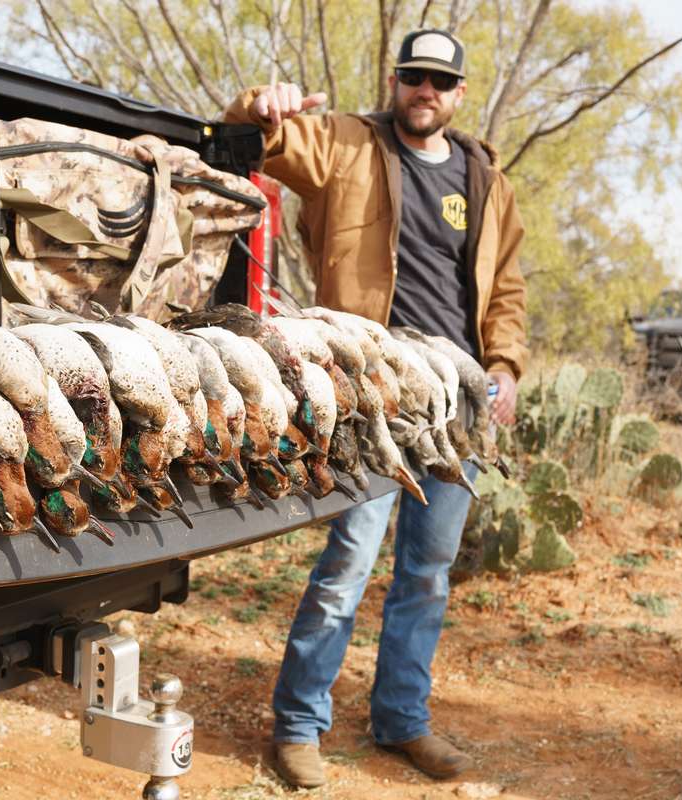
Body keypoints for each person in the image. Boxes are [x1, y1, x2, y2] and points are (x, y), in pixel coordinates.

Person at [224, 29, 528, 787]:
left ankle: (401, 721)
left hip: (457, 399)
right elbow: (257, 140)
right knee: (349, 562)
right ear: (396, 82)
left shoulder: (486, 181)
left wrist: (505, 367)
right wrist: (259, 106)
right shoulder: (347, 146)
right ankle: (298, 725)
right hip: (370, 388)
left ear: (460, 94)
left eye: (441, 81)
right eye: (414, 76)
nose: (426, 90)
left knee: (427, 572)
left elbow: (508, 293)